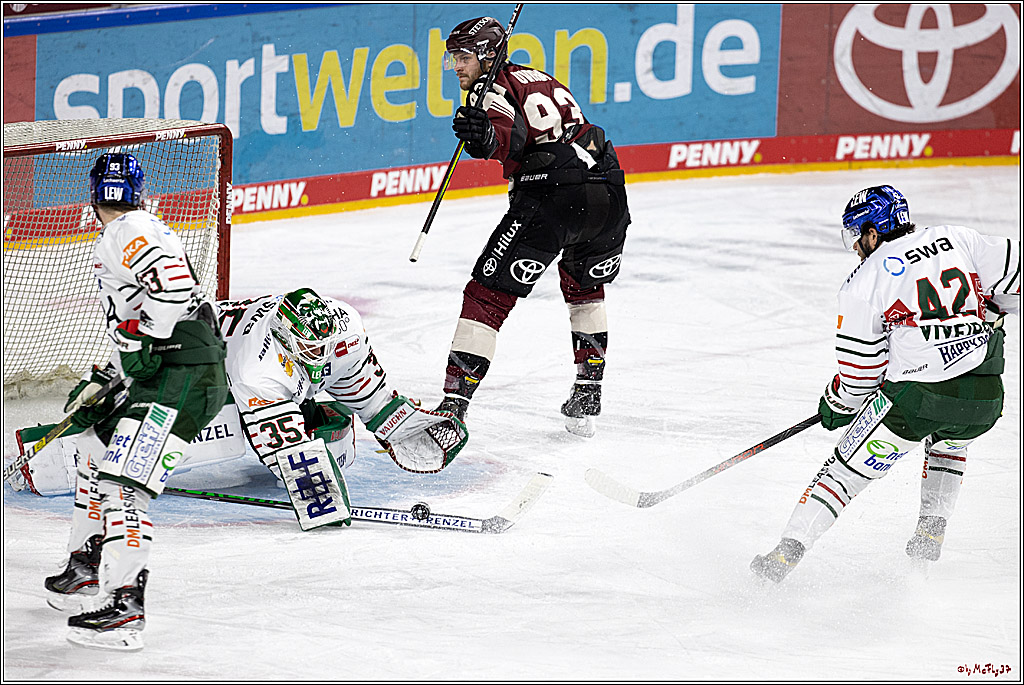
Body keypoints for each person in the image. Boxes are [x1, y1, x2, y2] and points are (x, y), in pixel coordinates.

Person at [751, 185, 1019, 582]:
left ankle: (783, 558)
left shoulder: (864, 282)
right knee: (949, 441)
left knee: (842, 473)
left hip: (916, 403)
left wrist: (836, 404)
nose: (857, 247)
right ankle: (929, 535)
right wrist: (994, 308)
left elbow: (860, 378)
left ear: (873, 232)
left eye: (857, 236)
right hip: (984, 401)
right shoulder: (957, 238)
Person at [44, 153, 230, 650]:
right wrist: (114, 375)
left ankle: (125, 604)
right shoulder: (136, 226)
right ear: (138, 189)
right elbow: (144, 312)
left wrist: (144, 340)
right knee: (93, 446)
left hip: (182, 378)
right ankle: (86, 564)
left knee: (125, 486)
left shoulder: (125, 229)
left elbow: (171, 289)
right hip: (175, 373)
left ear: (92, 195)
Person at [435, 16, 631, 438]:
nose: (455, 66)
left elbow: (508, 134)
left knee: (486, 296)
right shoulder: (539, 77)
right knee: (585, 289)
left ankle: (452, 410)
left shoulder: (494, 89)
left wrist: (483, 136)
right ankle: (588, 392)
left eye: (462, 57)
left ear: (488, 55)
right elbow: (560, 131)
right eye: (452, 57)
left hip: (554, 196)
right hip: (610, 191)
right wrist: (485, 136)